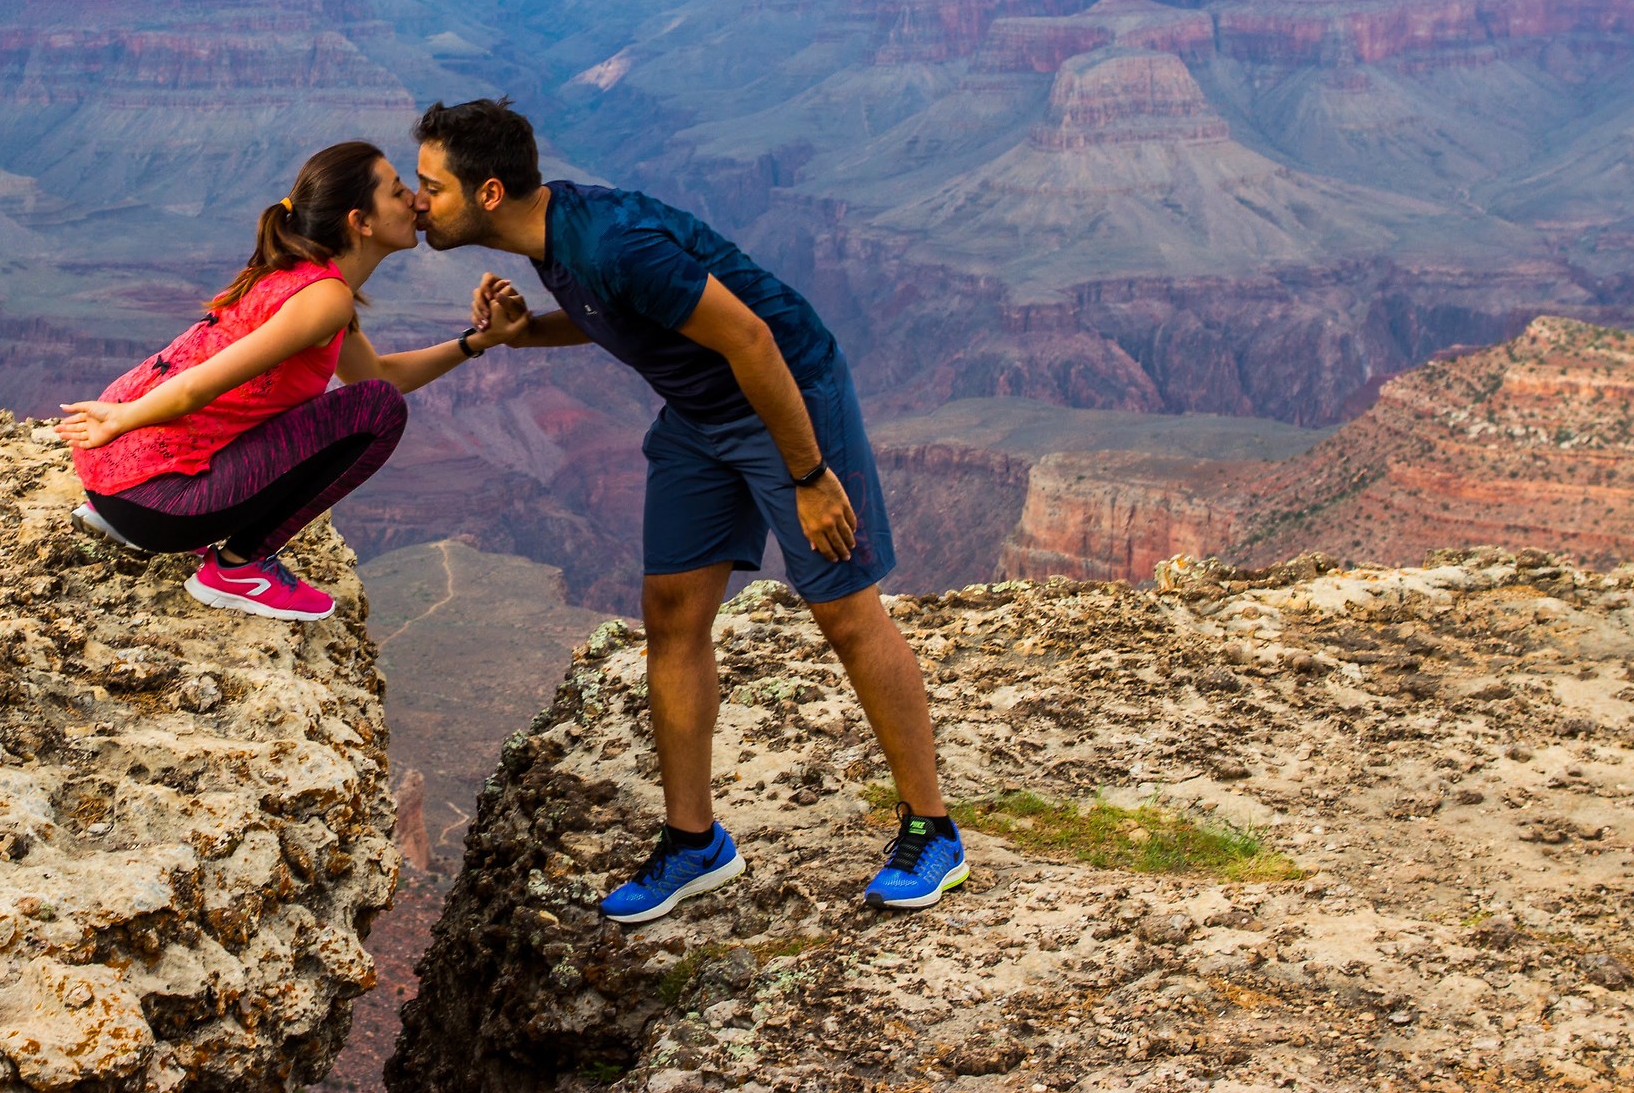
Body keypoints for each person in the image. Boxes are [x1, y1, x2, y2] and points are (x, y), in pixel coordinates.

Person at [411, 98, 964, 920]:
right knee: (671, 612)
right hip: (701, 416)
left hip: (785, 397)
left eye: (431, 187)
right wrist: (523, 336)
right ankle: (694, 842)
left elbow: (751, 341)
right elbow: (622, 320)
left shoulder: (612, 242)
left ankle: (934, 830)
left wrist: (809, 475)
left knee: (845, 611)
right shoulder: (550, 235)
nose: (419, 202)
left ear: (488, 193)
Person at [62, 140, 527, 622]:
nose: (416, 200)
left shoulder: (300, 276)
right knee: (380, 411)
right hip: (156, 503)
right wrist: (119, 419)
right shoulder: (325, 299)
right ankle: (238, 568)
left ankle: (137, 517)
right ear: (360, 222)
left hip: (110, 486)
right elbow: (195, 387)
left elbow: (377, 374)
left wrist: (478, 340)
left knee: (376, 396)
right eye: (398, 192)